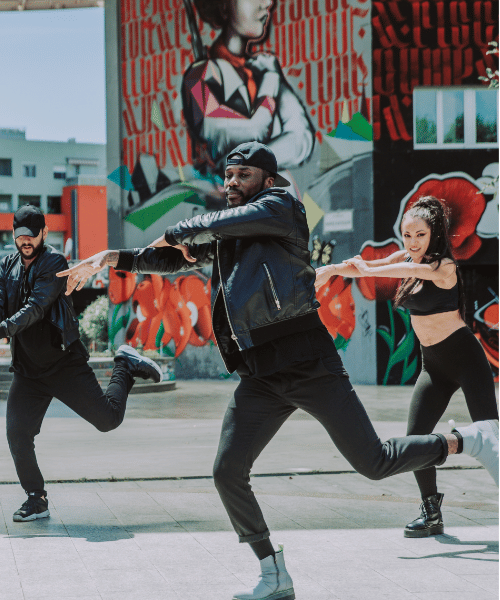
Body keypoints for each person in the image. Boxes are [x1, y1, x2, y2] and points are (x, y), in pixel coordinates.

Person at [59, 144, 498, 600]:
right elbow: (174, 257)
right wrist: (112, 257)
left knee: (374, 462)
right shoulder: (231, 233)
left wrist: (176, 229)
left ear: (267, 179)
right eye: (227, 175)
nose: (230, 182)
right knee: (227, 470)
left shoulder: (282, 206)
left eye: (242, 174)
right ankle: (273, 572)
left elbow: (203, 227)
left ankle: (465, 440)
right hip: (260, 373)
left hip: (308, 359)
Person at [316, 195, 499, 539]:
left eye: (420, 235)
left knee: (492, 439)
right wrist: (332, 270)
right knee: (417, 439)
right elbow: (371, 264)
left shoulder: (443, 266)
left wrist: (373, 268)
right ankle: (431, 513)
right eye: (407, 235)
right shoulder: (405, 257)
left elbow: (410, 270)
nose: (412, 243)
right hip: (434, 367)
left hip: (465, 360)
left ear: (434, 235)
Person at [2, 205, 163, 523]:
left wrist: (4, 329)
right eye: (20, 236)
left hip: (63, 363)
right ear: (13, 235)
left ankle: (125, 365)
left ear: (44, 234)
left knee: (108, 420)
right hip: (29, 371)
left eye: (32, 236)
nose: (26, 242)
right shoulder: (6, 266)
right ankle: (37, 499)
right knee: (17, 434)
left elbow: (37, 306)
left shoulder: (54, 263)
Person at [182, 0, 315, 179]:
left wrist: (246, 162)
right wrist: (269, 86)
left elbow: (301, 141)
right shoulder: (196, 77)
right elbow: (246, 133)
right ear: (223, 7)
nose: (267, 3)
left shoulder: (265, 70)